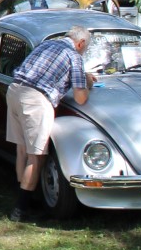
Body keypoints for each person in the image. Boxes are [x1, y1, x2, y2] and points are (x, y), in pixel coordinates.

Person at [6, 27, 93, 223]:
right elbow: (80, 98)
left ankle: (26, 198)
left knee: (22, 150)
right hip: (37, 99)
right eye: (84, 49)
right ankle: (21, 210)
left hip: (15, 91)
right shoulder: (74, 56)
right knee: (36, 156)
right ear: (80, 44)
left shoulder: (46, 44)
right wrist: (87, 83)